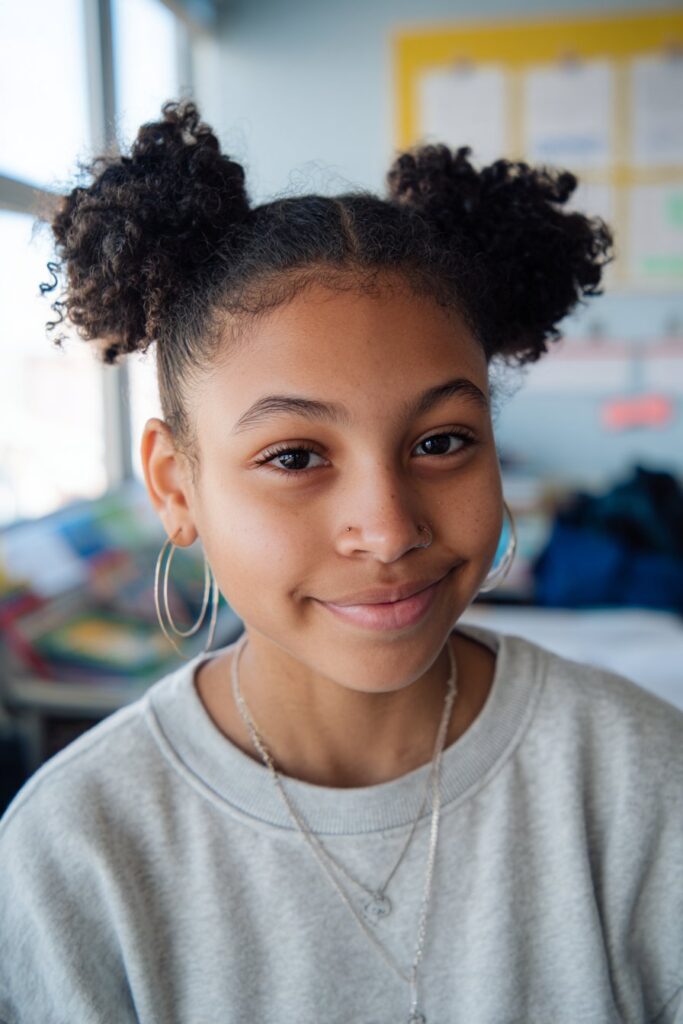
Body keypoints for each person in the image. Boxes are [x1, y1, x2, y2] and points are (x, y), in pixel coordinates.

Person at [1, 99, 681, 1024]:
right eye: (294, 457)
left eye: (441, 442)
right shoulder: (77, 853)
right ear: (175, 486)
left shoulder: (643, 785)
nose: (388, 528)